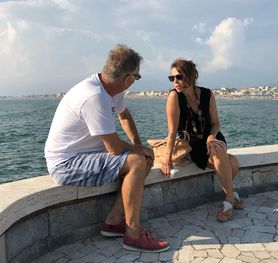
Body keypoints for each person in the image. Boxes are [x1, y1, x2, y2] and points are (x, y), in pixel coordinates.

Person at [44, 44, 169, 252]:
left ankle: (113, 222)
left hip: (86, 155)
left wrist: (138, 145)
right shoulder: (95, 96)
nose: (135, 82)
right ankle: (133, 235)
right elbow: (113, 148)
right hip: (66, 164)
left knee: (142, 158)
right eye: (137, 77)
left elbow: (125, 117)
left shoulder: (110, 88)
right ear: (128, 78)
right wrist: (138, 151)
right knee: (137, 161)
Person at [161, 58, 244, 222]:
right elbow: (171, 132)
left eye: (179, 77)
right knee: (231, 162)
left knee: (219, 151)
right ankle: (231, 197)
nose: (175, 81)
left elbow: (216, 123)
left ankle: (229, 200)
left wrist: (211, 137)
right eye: (172, 78)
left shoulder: (207, 94)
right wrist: (167, 158)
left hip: (212, 136)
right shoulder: (174, 97)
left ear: (190, 77)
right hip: (193, 144)